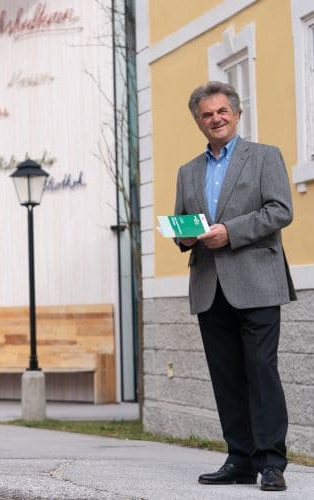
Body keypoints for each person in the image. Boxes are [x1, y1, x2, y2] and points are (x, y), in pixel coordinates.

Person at [174, 81, 295, 492]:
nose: (215, 119)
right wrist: (185, 236)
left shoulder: (264, 157)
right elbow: (183, 223)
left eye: (222, 111)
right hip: (209, 285)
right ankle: (240, 459)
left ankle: (272, 461)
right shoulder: (187, 172)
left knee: (261, 373)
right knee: (226, 377)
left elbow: (280, 210)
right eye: (206, 115)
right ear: (198, 122)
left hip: (257, 281)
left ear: (237, 114)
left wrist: (232, 232)